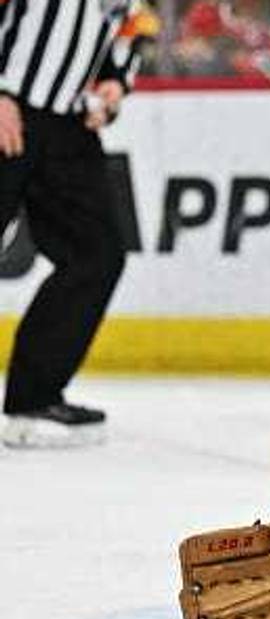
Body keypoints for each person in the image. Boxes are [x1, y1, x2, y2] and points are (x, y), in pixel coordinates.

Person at [0, 0, 154, 447]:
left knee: (97, 254)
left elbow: (129, 30)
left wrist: (113, 86)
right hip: (7, 108)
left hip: (66, 126)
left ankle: (34, 397)